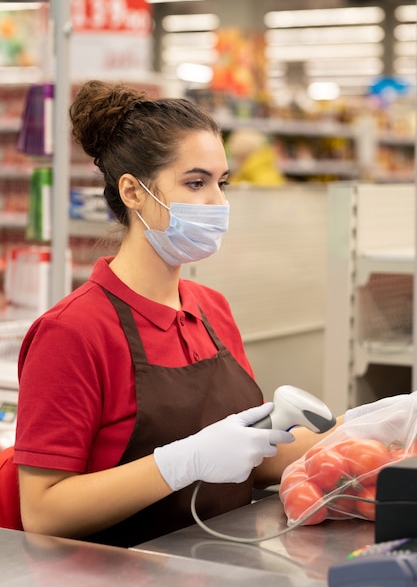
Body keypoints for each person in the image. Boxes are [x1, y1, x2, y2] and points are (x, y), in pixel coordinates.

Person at [11, 80, 400, 549]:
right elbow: (43, 512)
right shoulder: (72, 331)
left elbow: (252, 458)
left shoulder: (210, 307)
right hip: (121, 572)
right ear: (133, 192)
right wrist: (181, 462)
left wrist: (369, 435)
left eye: (222, 183)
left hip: (218, 559)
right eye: (196, 183)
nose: (218, 203)